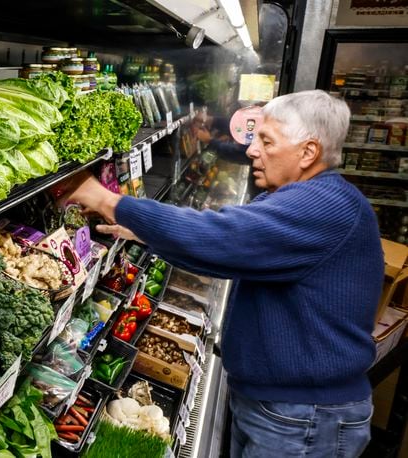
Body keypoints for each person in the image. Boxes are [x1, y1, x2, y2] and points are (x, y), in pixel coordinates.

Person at [57, 90, 382, 458]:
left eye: (266, 141)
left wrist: (106, 200)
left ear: (308, 152)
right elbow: (226, 257)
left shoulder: (323, 206)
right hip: (283, 408)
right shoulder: (307, 198)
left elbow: (222, 239)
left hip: (303, 419)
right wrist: (144, 231)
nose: (251, 150)